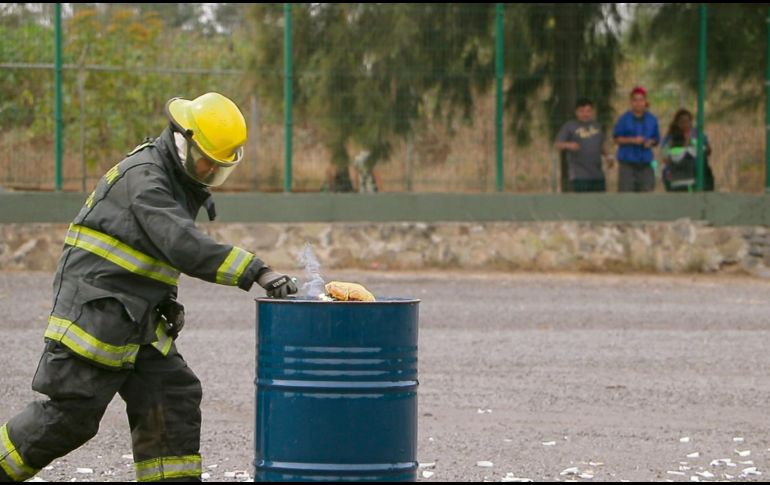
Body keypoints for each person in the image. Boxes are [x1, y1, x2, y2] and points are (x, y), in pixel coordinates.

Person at [0, 92, 298, 483]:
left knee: (172, 396)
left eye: (218, 167)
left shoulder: (174, 178)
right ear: (184, 140)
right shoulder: (146, 179)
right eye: (206, 161)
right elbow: (180, 242)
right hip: (96, 314)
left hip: (134, 316)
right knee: (72, 414)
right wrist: (256, 270)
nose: (209, 172)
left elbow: (152, 254)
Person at [554, 98, 615, 192]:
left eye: (588, 111)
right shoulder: (569, 126)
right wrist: (569, 145)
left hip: (597, 175)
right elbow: (557, 144)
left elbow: (602, 145)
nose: (585, 114)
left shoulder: (597, 126)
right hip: (579, 176)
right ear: (576, 112)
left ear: (592, 112)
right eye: (581, 111)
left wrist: (608, 156)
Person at [612, 86, 661, 192]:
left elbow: (656, 139)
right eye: (635, 100)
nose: (638, 103)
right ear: (631, 102)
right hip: (627, 162)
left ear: (645, 101)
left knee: (646, 192)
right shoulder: (624, 119)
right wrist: (632, 140)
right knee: (626, 195)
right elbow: (617, 138)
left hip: (646, 163)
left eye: (641, 100)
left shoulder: (652, 119)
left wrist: (650, 142)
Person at [660, 108, 714, 192]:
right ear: (677, 123)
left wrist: (697, 147)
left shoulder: (698, 134)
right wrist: (683, 147)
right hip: (677, 174)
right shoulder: (671, 137)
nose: (686, 124)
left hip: (696, 173)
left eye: (688, 121)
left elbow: (708, 149)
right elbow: (665, 155)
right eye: (682, 122)